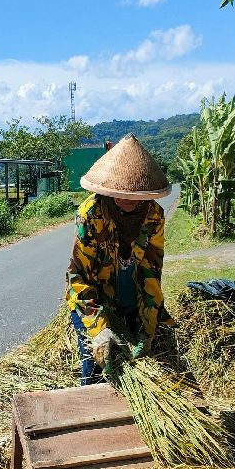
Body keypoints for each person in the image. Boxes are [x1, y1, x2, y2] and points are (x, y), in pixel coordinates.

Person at [66, 135, 174, 385]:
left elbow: (151, 269)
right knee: (95, 363)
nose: (129, 199)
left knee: (150, 360)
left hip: (132, 298)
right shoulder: (91, 214)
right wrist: (99, 327)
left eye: (137, 195)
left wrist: (148, 326)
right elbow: (78, 275)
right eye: (122, 193)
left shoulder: (154, 215)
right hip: (94, 299)